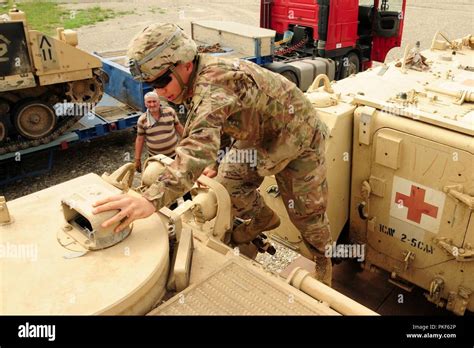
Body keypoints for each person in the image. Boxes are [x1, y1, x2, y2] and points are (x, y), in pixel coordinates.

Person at [92, 23, 333, 286]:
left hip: (297, 137)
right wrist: (216, 160)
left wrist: (150, 200)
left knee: (306, 214)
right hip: (257, 136)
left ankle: (323, 261)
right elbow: (224, 120)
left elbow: (197, 145)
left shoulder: (213, 82)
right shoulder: (192, 82)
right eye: (151, 85)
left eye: (162, 81)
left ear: (184, 63)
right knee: (227, 189)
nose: (160, 92)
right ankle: (265, 218)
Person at [134, 91, 184, 172]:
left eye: (154, 101)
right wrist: (137, 159)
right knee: (157, 180)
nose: (152, 104)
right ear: (145, 104)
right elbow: (140, 139)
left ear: (159, 101)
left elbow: (179, 127)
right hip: (156, 159)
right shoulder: (142, 120)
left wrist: (189, 142)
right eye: (149, 102)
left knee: (176, 178)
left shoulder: (170, 112)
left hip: (174, 156)